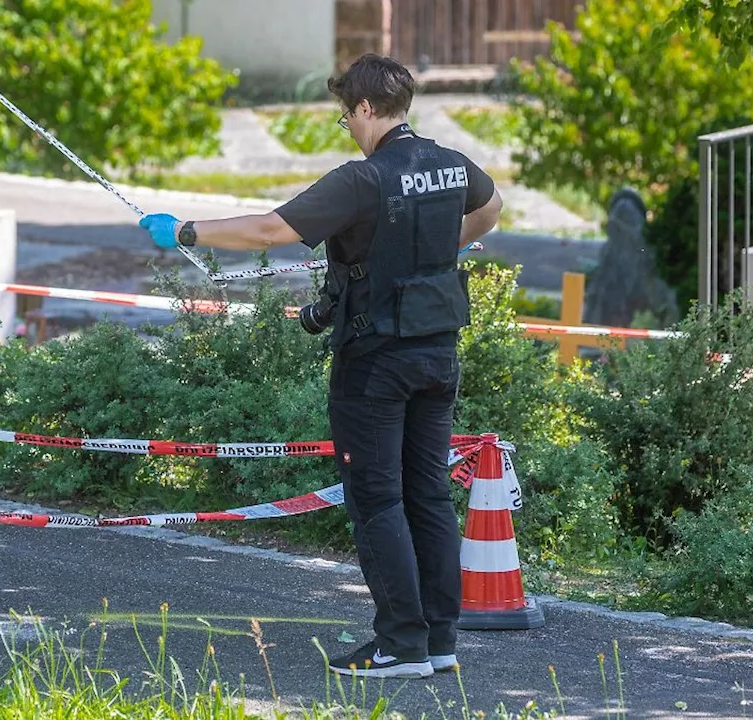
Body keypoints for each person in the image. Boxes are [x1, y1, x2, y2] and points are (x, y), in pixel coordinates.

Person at [138, 53, 503, 679]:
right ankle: (438, 641)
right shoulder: (450, 165)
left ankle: (398, 646)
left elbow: (266, 230)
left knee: (377, 499)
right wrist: (433, 246)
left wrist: (186, 231)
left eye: (345, 116)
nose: (348, 126)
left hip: (375, 362)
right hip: (439, 352)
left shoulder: (363, 180)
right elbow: (491, 210)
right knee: (430, 496)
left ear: (364, 108)